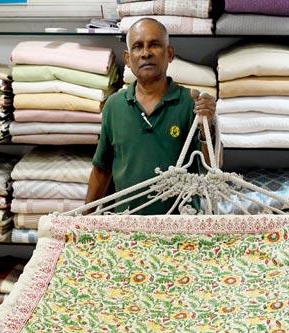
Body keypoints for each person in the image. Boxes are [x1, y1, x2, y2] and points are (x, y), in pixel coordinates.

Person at [87, 18, 217, 215]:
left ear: (169, 53)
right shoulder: (114, 105)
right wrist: (82, 220)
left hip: (181, 224)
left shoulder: (191, 102)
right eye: (138, 47)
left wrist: (208, 125)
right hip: (128, 223)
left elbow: (211, 169)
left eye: (154, 44)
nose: (146, 53)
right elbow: (101, 169)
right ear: (128, 58)